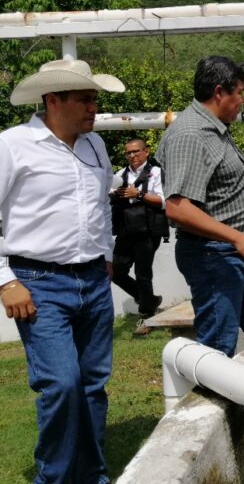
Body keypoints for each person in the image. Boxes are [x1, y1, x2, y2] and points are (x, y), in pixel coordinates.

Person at [0, 58, 124, 483]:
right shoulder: (13, 145)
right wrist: (5, 280)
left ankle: (92, 476)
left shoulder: (95, 146)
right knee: (62, 384)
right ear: (53, 100)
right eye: (85, 100)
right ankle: (53, 478)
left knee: (91, 384)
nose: (94, 109)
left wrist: (105, 254)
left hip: (91, 279)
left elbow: (102, 204)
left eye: (95, 100)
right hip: (37, 281)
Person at [156, 55, 244, 357]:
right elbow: (177, 208)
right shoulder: (190, 135)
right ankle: (217, 403)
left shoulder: (215, 130)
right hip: (214, 254)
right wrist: (237, 238)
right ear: (219, 92)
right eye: (239, 92)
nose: (243, 100)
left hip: (242, 251)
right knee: (218, 346)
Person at [110, 138, 168, 336]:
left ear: (146, 151)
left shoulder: (157, 172)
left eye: (136, 151)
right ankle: (149, 300)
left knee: (143, 273)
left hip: (148, 229)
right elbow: (109, 196)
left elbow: (163, 202)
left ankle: (146, 315)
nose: (132, 156)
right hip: (126, 229)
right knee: (115, 272)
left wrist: (139, 194)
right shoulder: (119, 174)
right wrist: (115, 195)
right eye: (128, 153)